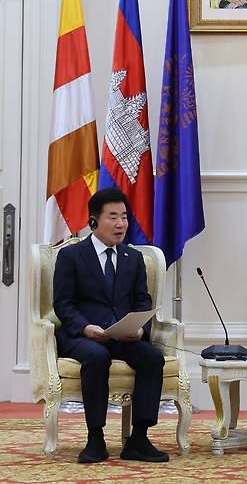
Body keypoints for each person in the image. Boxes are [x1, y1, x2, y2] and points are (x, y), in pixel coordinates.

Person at [53, 188, 168, 464]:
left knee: (152, 357)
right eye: (113, 217)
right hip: (83, 336)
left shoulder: (133, 257)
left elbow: (142, 300)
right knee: (96, 355)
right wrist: (85, 328)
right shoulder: (71, 256)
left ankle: (138, 438)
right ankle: (95, 438)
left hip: (121, 335)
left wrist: (140, 329)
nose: (120, 224)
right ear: (94, 222)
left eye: (125, 217)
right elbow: (63, 304)